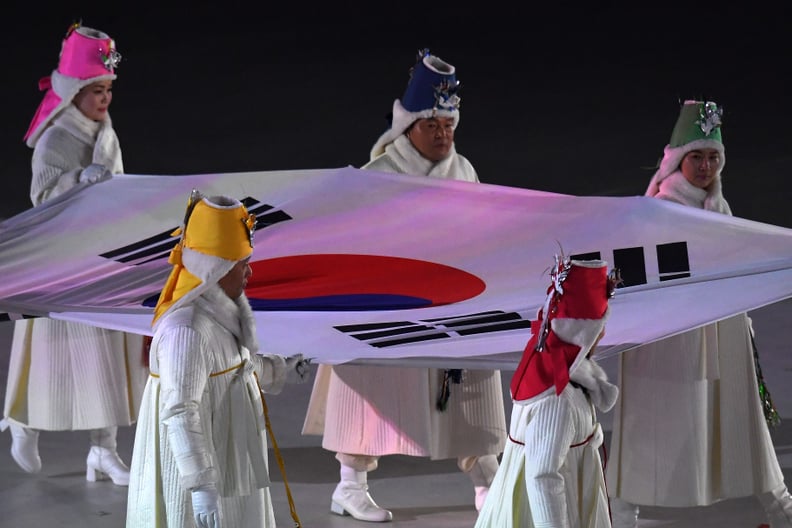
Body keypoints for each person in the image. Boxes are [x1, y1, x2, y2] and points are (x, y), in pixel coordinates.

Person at [302, 49, 506, 522]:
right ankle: (349, 485)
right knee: (367, 384)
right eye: (432, 125)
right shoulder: (377, 179)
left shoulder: (465, 172)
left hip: (453, 303)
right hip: (388, 305)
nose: (442, 135)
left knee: (468, 385)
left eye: (448, 126)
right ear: (408, 127)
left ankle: (486, 477)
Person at [606, 100, 792, 528]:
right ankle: (622, 515)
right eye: (697, 156)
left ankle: (779, 510)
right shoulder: (658, 211)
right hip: (669, 339)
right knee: (647, 430)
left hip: (722, 334)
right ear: (677, 160)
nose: (706, 166)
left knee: (741, 423)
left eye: (713, 157)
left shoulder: (717, 208)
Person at [0, 22, 147, 485]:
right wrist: (75, 185)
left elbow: (115, 181)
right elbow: (42, 198)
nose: (104, 99)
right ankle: (24, 423)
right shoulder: (55, 140)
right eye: (96, 90)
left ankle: (102, 450)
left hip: (98, 255)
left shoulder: (107, 132)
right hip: (62, 261)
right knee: (53, 356)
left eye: (108, 90)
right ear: (75, 90)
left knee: (105, 351)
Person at [126, 190, 308, 527]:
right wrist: (201, 485)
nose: (249, 273)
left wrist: (279, 369)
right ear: (216, 268)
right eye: (242, 264)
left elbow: (237, 368)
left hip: (229, 454)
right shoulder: (188, 331)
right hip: (200, 468)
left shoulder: (223, 312)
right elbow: (181, 410)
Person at [475, 256, 619, 527]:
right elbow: (542, 477)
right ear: (580, 332)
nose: (602, 335)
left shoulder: (564, 375)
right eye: (597, 328)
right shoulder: (557, 399)